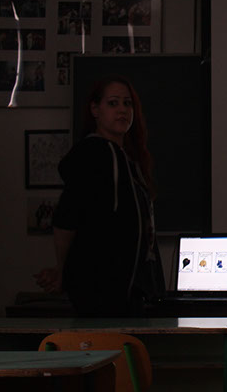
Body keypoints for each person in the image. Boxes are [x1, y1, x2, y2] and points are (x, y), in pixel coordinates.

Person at [34, 76, 164, 316]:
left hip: (132, 288)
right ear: (95, 110)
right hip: (102, 288)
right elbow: (67, 216)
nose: (122, 110)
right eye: (113, 103)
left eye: (127, 103)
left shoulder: (129, 160)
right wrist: (61, 268)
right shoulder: (94, 153)